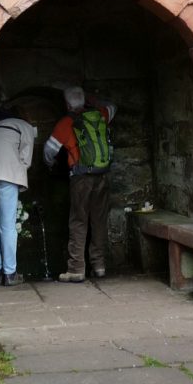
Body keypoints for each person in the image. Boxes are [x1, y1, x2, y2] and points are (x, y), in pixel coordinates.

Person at [44, 85, 116, 283]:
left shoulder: (66, 122)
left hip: (80, 177)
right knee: (99, 220)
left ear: (67, 104)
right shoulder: (101, 114)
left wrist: (51, 166)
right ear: (84, 101)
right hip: (102, 175)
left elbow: (48, 151)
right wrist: (94, 101)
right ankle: (99, 266)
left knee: (79, 220)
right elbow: (113, 107)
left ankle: (76, 269)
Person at [0, 105, 36, 287]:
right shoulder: (23, 125)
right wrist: (19, 169)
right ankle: (10, 273)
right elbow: (26, 157)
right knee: (8, 225)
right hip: (8, 175)